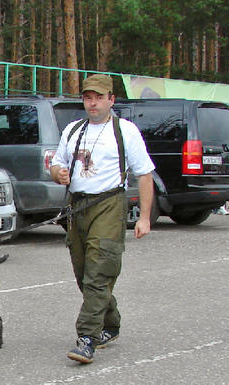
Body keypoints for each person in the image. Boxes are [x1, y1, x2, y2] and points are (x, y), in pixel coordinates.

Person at [50, 74, 155, 364]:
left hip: (109, 204)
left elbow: (144, 175)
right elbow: (56, 164)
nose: (92, 103)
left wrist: (144, 218)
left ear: (111, 99)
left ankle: (87, 339)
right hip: (77, 207)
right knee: (85, 274)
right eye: (87, 97)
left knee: (99, 272)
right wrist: (57, 173)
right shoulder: (73, 130)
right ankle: (110, 323)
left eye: (98, 97)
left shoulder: (125, 131)